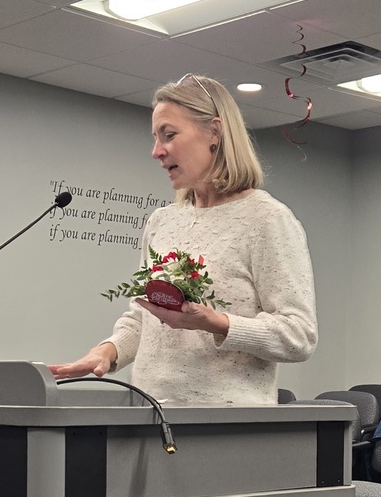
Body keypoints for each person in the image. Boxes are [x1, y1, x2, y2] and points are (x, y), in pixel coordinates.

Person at [48, 73, 317, 404]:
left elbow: (299, 335)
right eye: (155, 138)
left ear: (214, 132)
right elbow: (144, 317)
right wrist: (108, 351)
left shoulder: (267, 219)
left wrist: (217, 323)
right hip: (148, 413)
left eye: (169, 135)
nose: (156, 152)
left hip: (224, 423)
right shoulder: (161, 222)